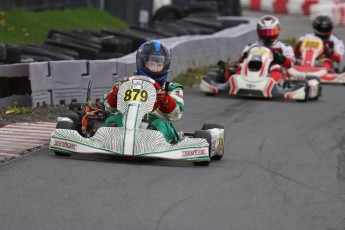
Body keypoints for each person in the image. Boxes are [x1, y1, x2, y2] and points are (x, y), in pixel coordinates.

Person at [104, 40, 184, 144]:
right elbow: (109, 107)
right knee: (113, 120)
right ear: (142, 63)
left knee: (160, 125)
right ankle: (113, 141)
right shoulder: (125, 83)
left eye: (159, 64)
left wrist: (165, 98)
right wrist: (115, 94)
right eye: (152, 64)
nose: (156, 68)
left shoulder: (171, 88)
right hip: (127, 120)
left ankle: (152, 141)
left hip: (155, 123)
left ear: (165, 65)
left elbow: (176, 115)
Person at [236, 15, 295, 83]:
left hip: (273, 73)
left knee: (276, 67)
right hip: (254, 70)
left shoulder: (284, 47)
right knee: (241, 66)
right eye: (265, 32)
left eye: (271, 32)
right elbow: (240, 62)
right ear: (259, 32)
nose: (268, 35)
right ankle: (238, 83)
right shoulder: (250, 46)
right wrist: (244, 57)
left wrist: (282, 58)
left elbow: (291, 63)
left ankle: (273, 85)